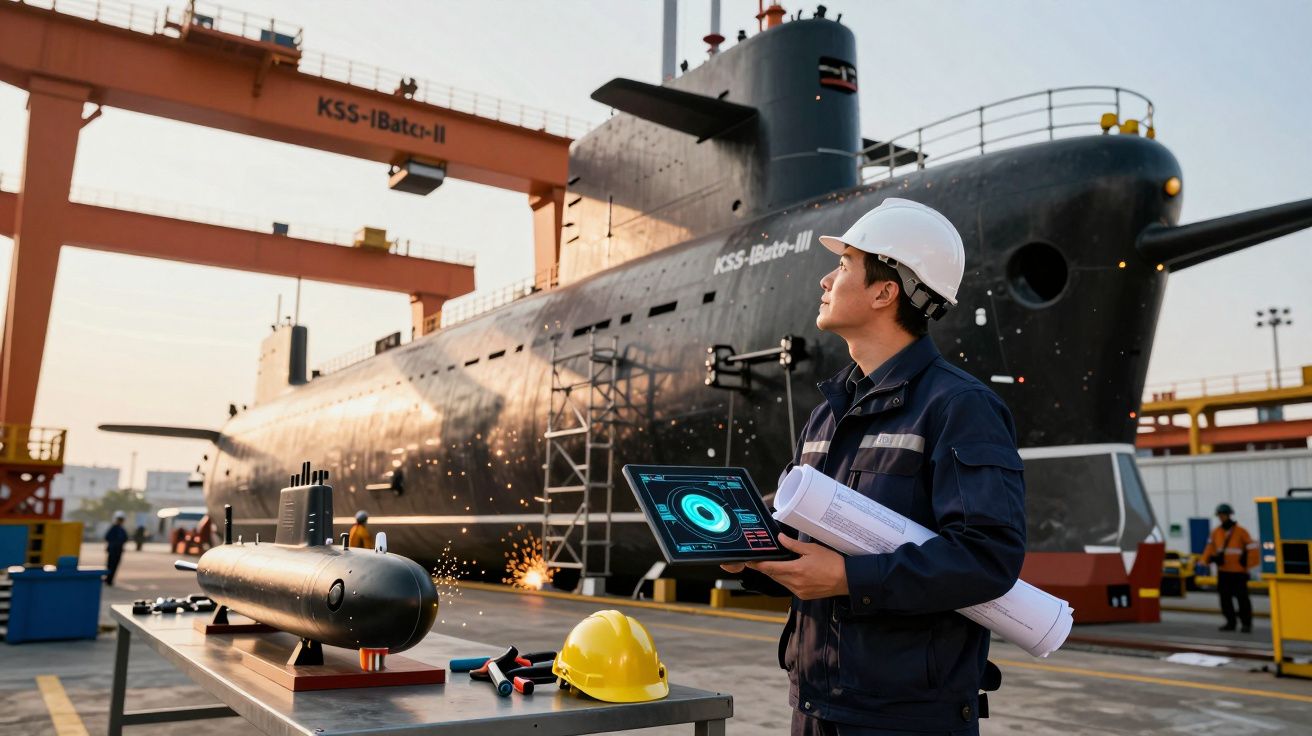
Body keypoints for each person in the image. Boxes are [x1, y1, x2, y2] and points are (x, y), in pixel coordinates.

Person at [724, 199, 1027, 735]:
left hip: (906, 718)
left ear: (885, 292)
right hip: (814, 707)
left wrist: (847, 578)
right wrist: (749, 559)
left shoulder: (959, 407)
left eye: (843, 266)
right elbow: (807, 549)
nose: (825, 279)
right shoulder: (827, 413)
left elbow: (988, 558)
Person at [1199, 502, 1258, 633]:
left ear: (1229, 515)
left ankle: (1246, 624)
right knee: (1225, 600)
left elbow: (1252, 549)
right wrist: (1205, 560)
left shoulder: (1241, 532)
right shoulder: (1215, 532)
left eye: (1223, 515)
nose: (1221, 518)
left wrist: (1247, 563)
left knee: (1243, 600)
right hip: (1224, 572)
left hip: (1239, 572)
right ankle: (1230, 622)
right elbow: (1210, 548)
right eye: (1219, 515)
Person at [104, 511, 129, 586]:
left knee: (114, 565)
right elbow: (107, 537)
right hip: (112, 550)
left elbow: (125, 538)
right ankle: (108, 579)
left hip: (118, 551)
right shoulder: (114, 528)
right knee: (110, 565)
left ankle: (110, 579)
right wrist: (115, 542)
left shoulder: (122, 529)